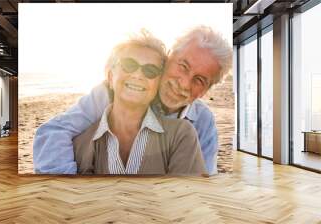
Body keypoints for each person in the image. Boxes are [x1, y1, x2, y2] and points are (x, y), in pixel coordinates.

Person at [33, 26, 232, 175]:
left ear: (206, 90)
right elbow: (55, 131)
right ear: (169, 58)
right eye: (183, 66)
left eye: (199, 80)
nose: (184, 84)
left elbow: (201, 184)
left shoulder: (203, 122)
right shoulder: (112, 94)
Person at [73, 30, 206, 175]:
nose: (138, 75)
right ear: (110, 76)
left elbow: (187, 193)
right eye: (129, 65)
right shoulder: (80, 143)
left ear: (157, 84)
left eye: (150, 70)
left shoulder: (181, 135)